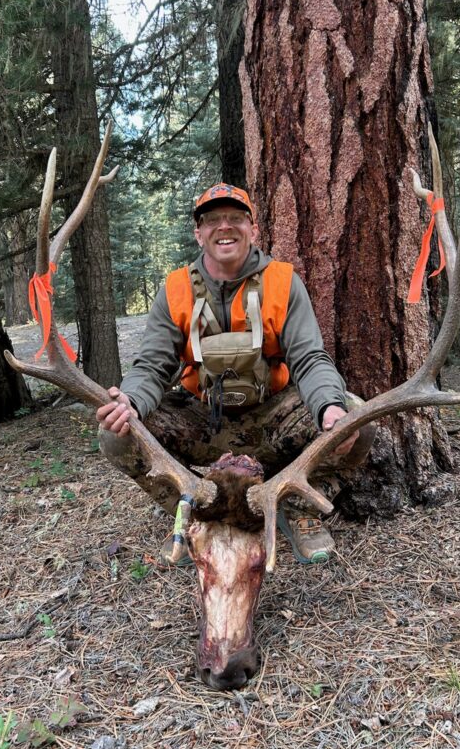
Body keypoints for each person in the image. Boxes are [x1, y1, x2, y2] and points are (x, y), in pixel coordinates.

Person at [97, 182, 374, 564]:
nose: (224, 226)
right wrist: (130, 402)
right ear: (199, 233)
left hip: (273, 417)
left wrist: (330, 407)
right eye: (212, 220)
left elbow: (310, 358)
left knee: (357, 420)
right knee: (118, 435)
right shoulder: (176, 289)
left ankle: (297, 509)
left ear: (253, 229)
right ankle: (194, 512)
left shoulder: (282, 282)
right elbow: (152, 366)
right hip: (202, 419)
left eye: (235, 218)